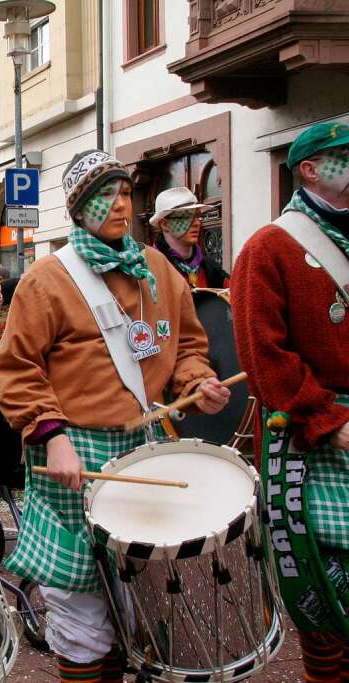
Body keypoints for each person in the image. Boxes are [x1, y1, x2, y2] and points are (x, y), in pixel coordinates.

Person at [0, 149, 229, 683]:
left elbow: (189, 344)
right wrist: (51, 437)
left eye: (126, 193)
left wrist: (196, 382)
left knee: (137, 602)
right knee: (80, 606)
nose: (121, 204)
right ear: (79, 208)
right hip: (73, 452)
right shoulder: (47, 279)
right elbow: (17, 369)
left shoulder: (159, 269)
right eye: (107, 195)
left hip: (142, 449)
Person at [232, 121, 349, 683]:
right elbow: (264, 356)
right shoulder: (268, 248)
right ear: (309, 168)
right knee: (323, 594)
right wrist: (327, 418)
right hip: (314, 435)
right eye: (343, 156)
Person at [150, 186, 228, 288]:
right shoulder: (149, 267)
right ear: (164, 224)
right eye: (186, 217)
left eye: (197, 216)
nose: (196, 223)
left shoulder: (210, 268)